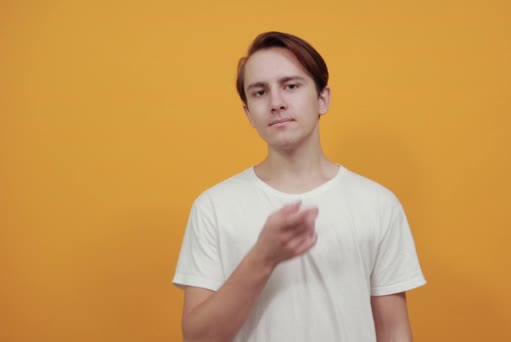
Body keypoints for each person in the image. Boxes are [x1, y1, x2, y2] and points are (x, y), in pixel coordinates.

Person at [172, 31, 426, 342]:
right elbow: (198, 338)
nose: (276, 103)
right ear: (248, 112)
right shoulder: (213, 206)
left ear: (323, 98)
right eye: (259, 92)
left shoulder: (378, 204)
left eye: (291, 86)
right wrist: (263, 256)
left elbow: (394, 331)